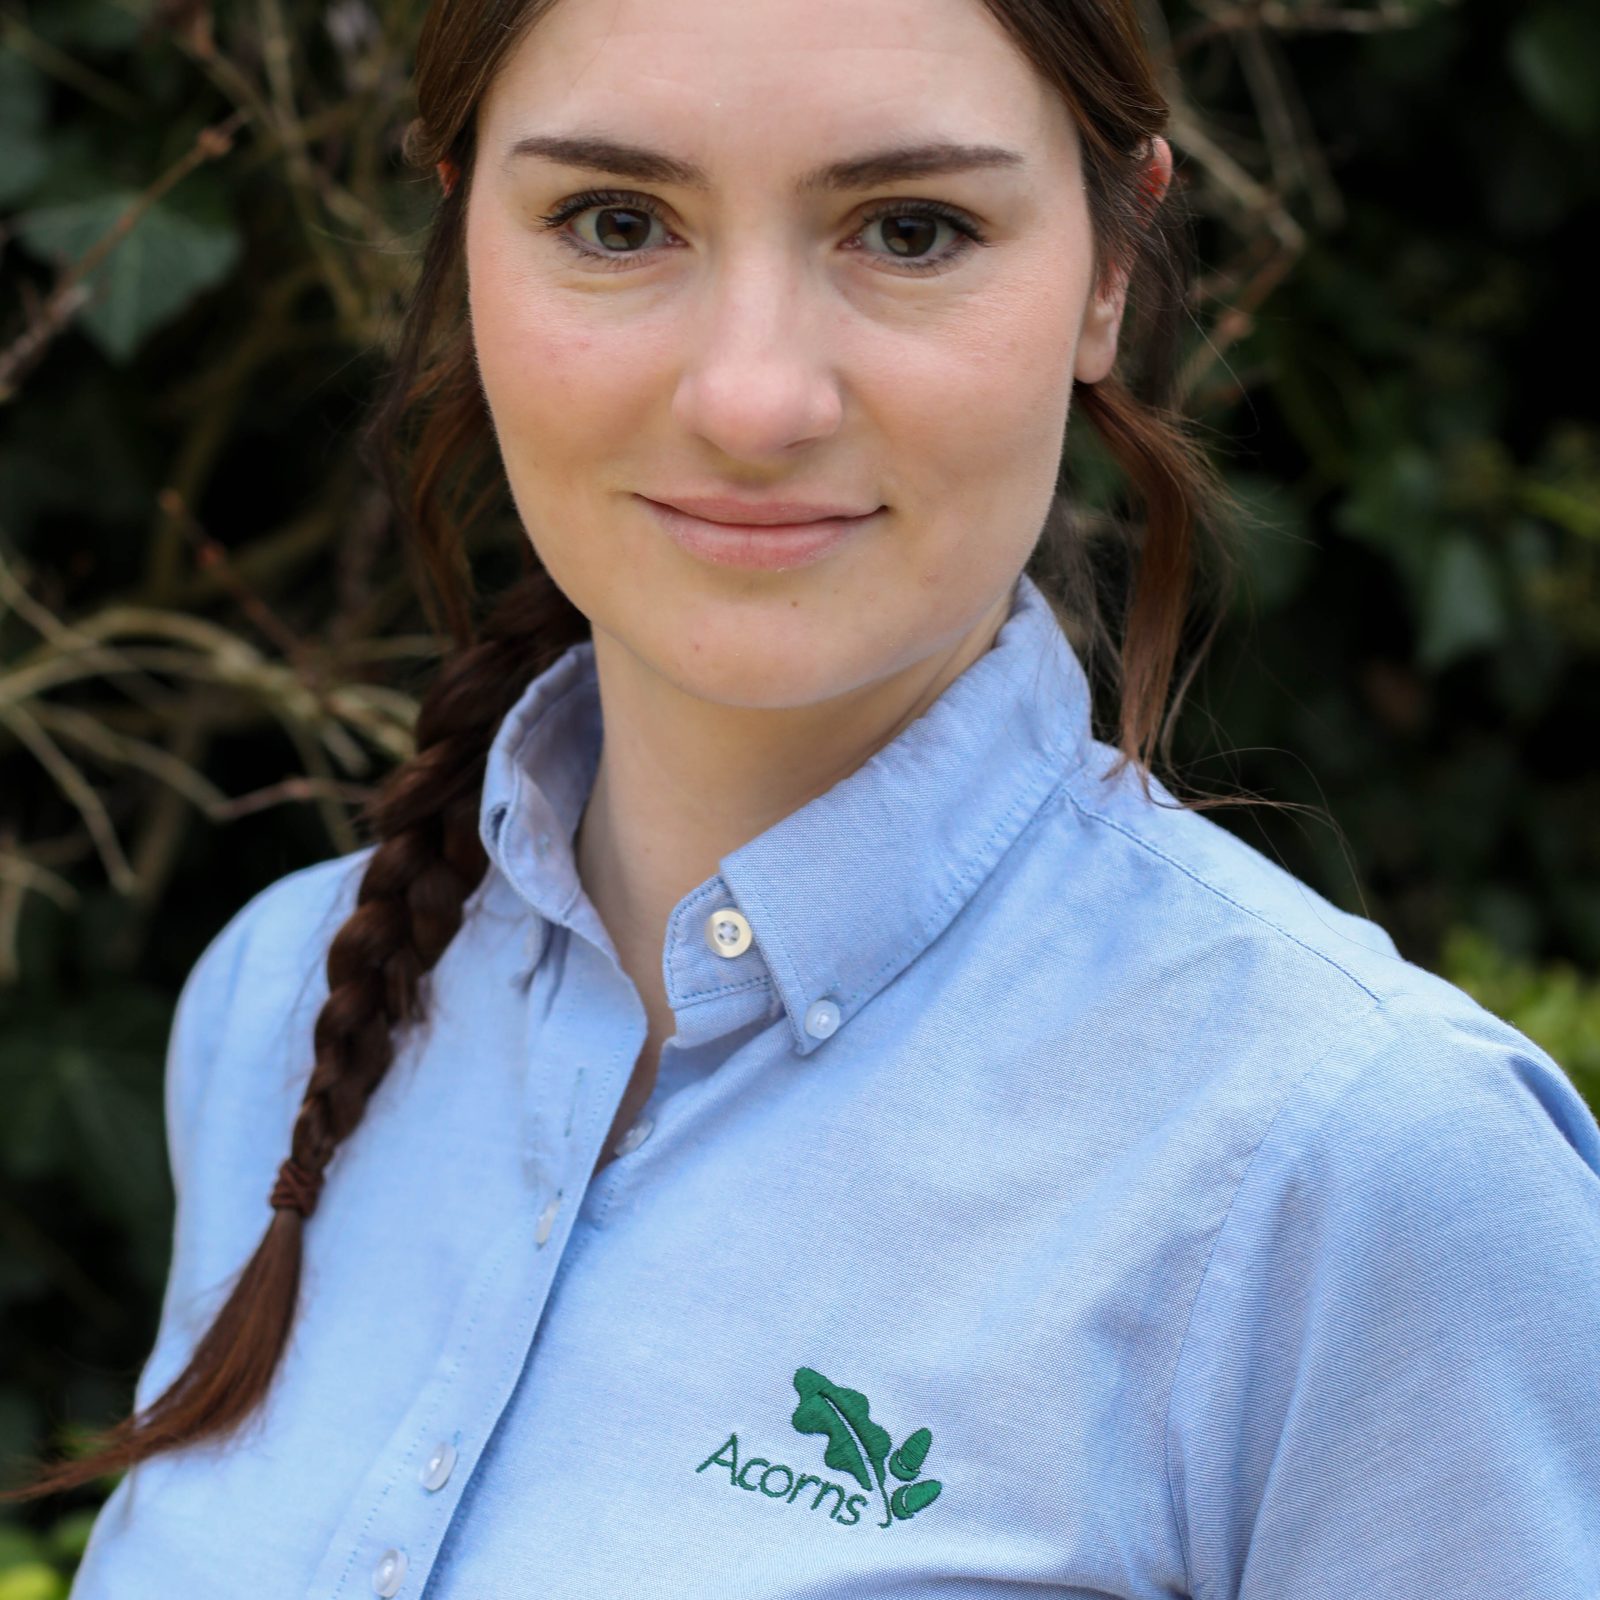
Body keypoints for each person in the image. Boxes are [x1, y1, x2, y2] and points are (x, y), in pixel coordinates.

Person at [11, 0, 1599, 1593]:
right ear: (464, 239)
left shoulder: (1357, 1171)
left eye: (910, 230)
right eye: (616, 222)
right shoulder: (279, 1007)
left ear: (1112, 268)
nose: (754, 401)